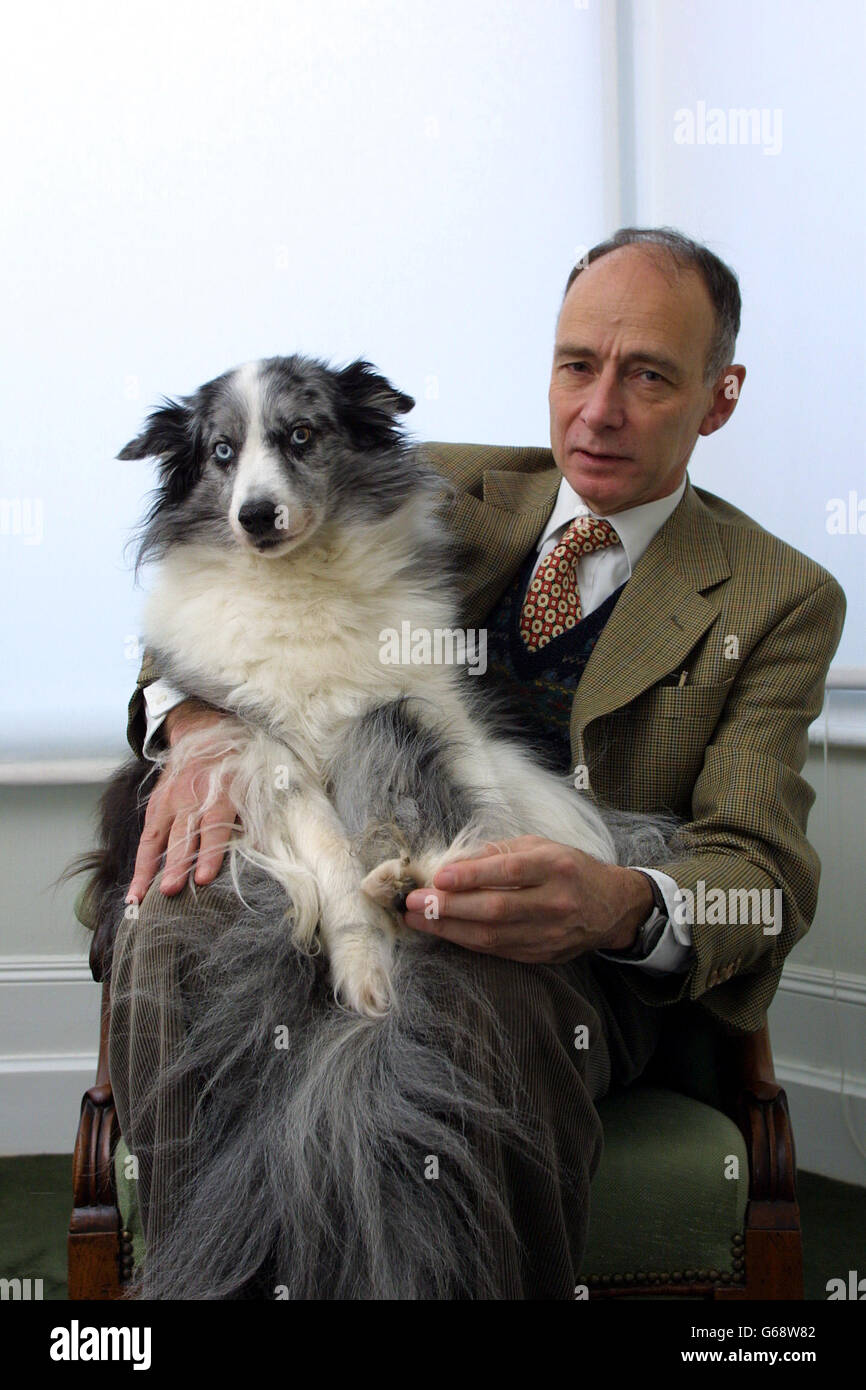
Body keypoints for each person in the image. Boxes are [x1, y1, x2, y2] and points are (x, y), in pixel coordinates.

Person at [107, 227, 846, 1298]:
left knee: (462, 991)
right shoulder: (427, 480)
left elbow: (762, 877)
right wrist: (193, 725)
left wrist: (617, 902)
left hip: (556, 945)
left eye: (647, 376)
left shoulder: (777, 597)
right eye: (576, 364)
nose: (597, 410)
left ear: (717, 396)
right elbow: (203, 595)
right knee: (164, 924)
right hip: (329, 855)